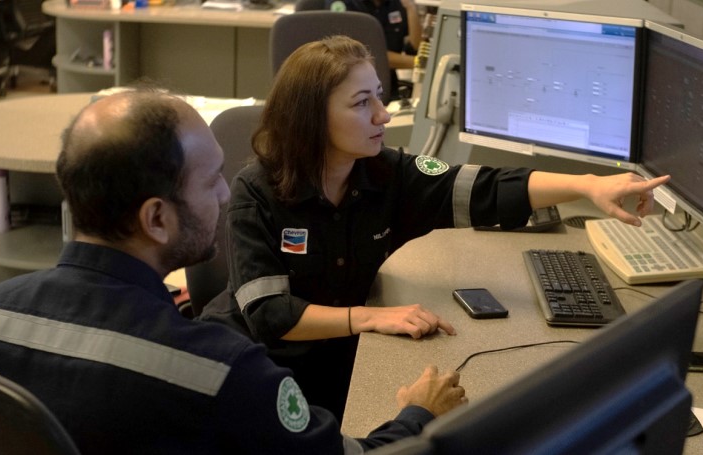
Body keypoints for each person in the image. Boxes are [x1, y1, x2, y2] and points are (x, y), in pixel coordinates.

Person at [200, 35, 671, 422]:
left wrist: (587, 186)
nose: (383, 116)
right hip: (256, 367)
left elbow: (487, 189)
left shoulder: (385, 173)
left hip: (338, 355)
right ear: (311, 118)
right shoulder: (257, 190)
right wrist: (370, 317)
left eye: (379, 97)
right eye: (362, 104)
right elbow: (269, 315)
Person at [0, 89, 468, 454]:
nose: (228, 195)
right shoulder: (221, 373)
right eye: (211, 182)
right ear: (156, 219)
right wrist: (419, 414)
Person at [327, 0, 421, 100]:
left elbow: (416, 46)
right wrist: (419, 63)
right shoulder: (345, 5)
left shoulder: (396, 4)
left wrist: (411, 9)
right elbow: (364, 56)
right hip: (354, 88)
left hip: (389, 87)